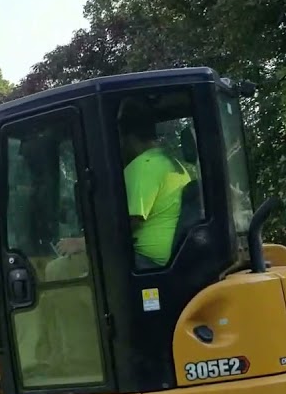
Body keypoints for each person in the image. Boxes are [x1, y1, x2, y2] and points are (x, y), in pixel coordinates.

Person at [56, 101, 192, 269]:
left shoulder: (144, 166)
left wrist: (82, 243)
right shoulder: (169, 162)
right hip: (166, 257)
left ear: (126, 137)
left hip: (147, 261)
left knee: (60, 268)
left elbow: (127, 223)